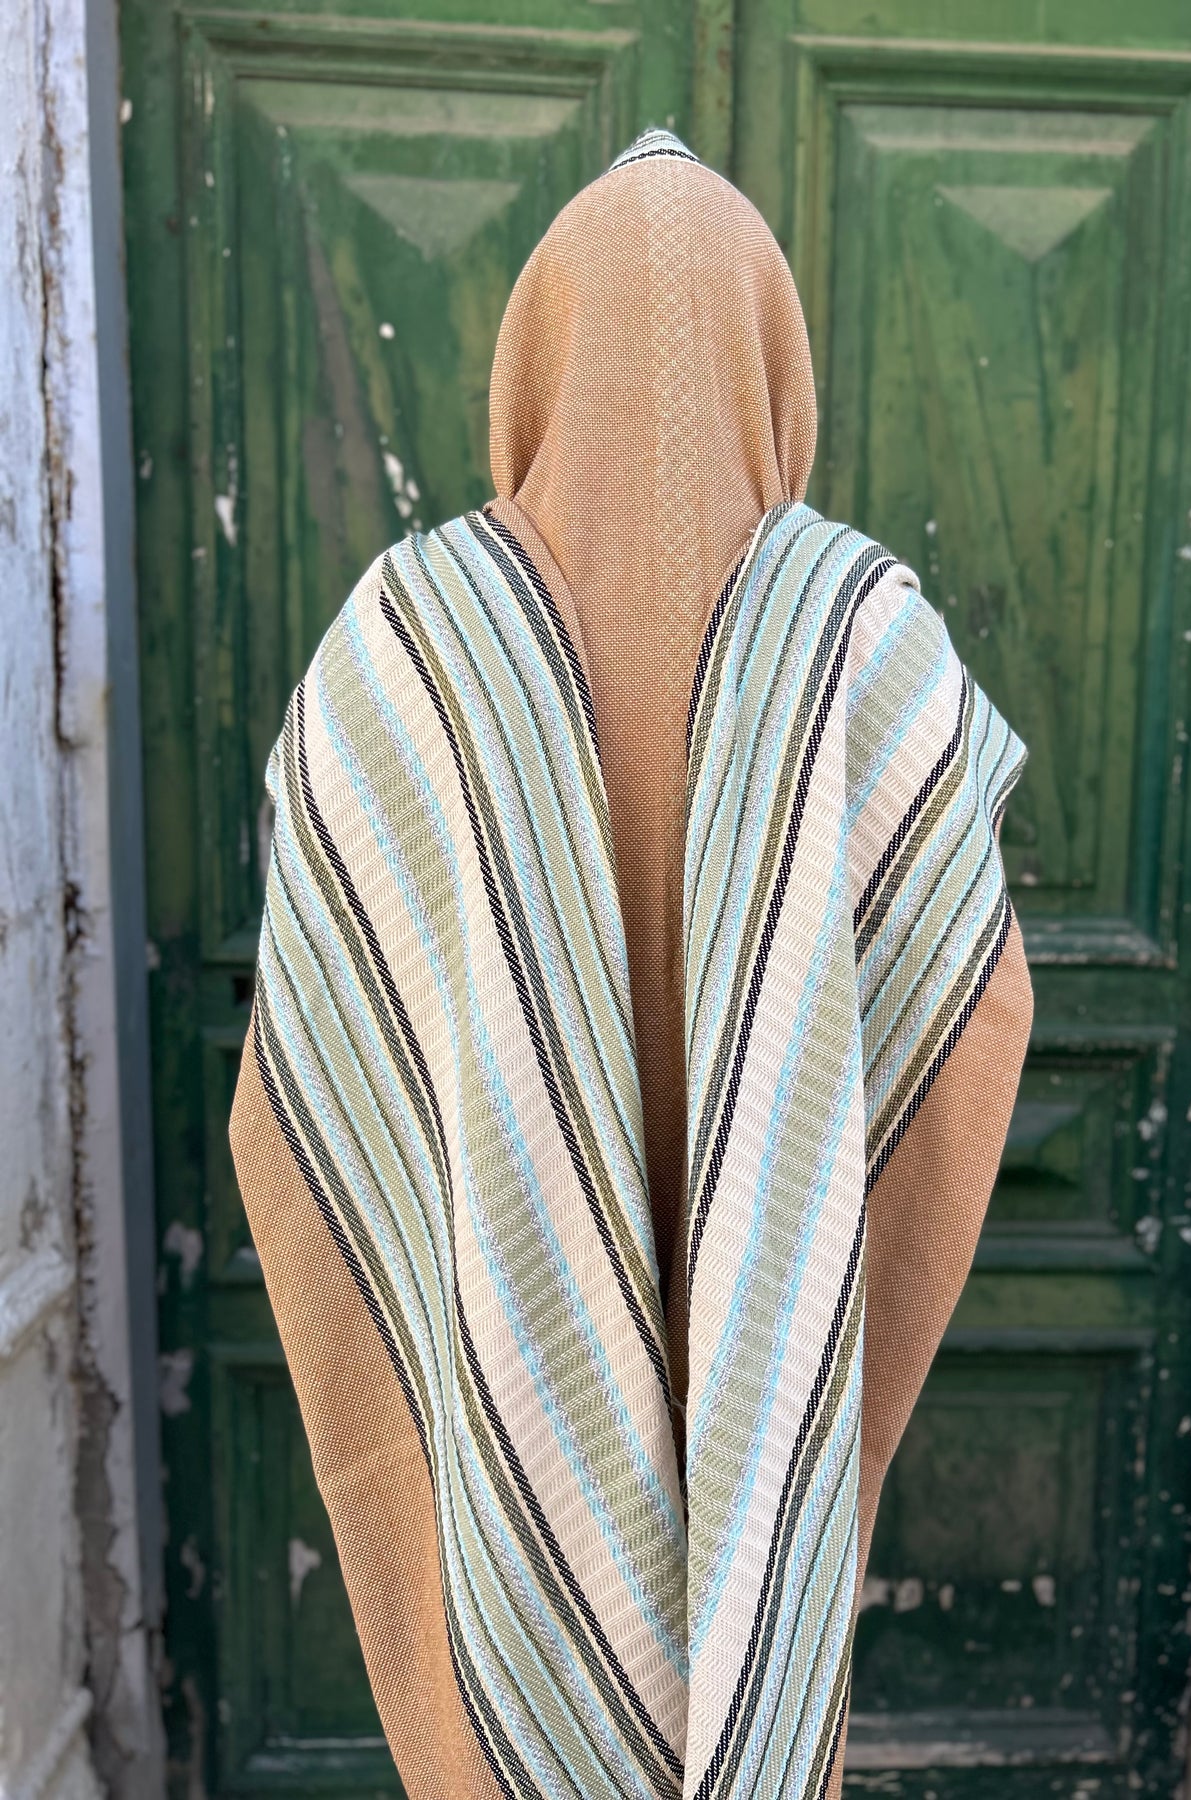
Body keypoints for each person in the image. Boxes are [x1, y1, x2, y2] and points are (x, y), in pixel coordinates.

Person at [229, 127, 1032, 1800]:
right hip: (774, 1359)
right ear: (773, 363)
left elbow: (297, 1066)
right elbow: (979, 1014)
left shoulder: (402, 638)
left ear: (535, 355)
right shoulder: (868, 636)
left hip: (505, 1367)